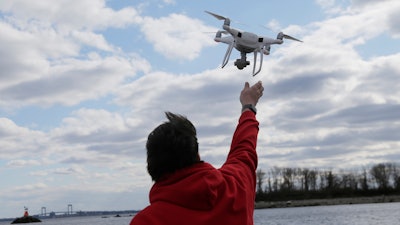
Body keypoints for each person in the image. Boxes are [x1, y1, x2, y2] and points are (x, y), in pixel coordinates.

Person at [130, 81, 264, 225]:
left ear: (151, 167)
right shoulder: (236, 188)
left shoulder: (147, 221)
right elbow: (244, 149)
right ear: (197, 155)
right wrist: (248, 106)